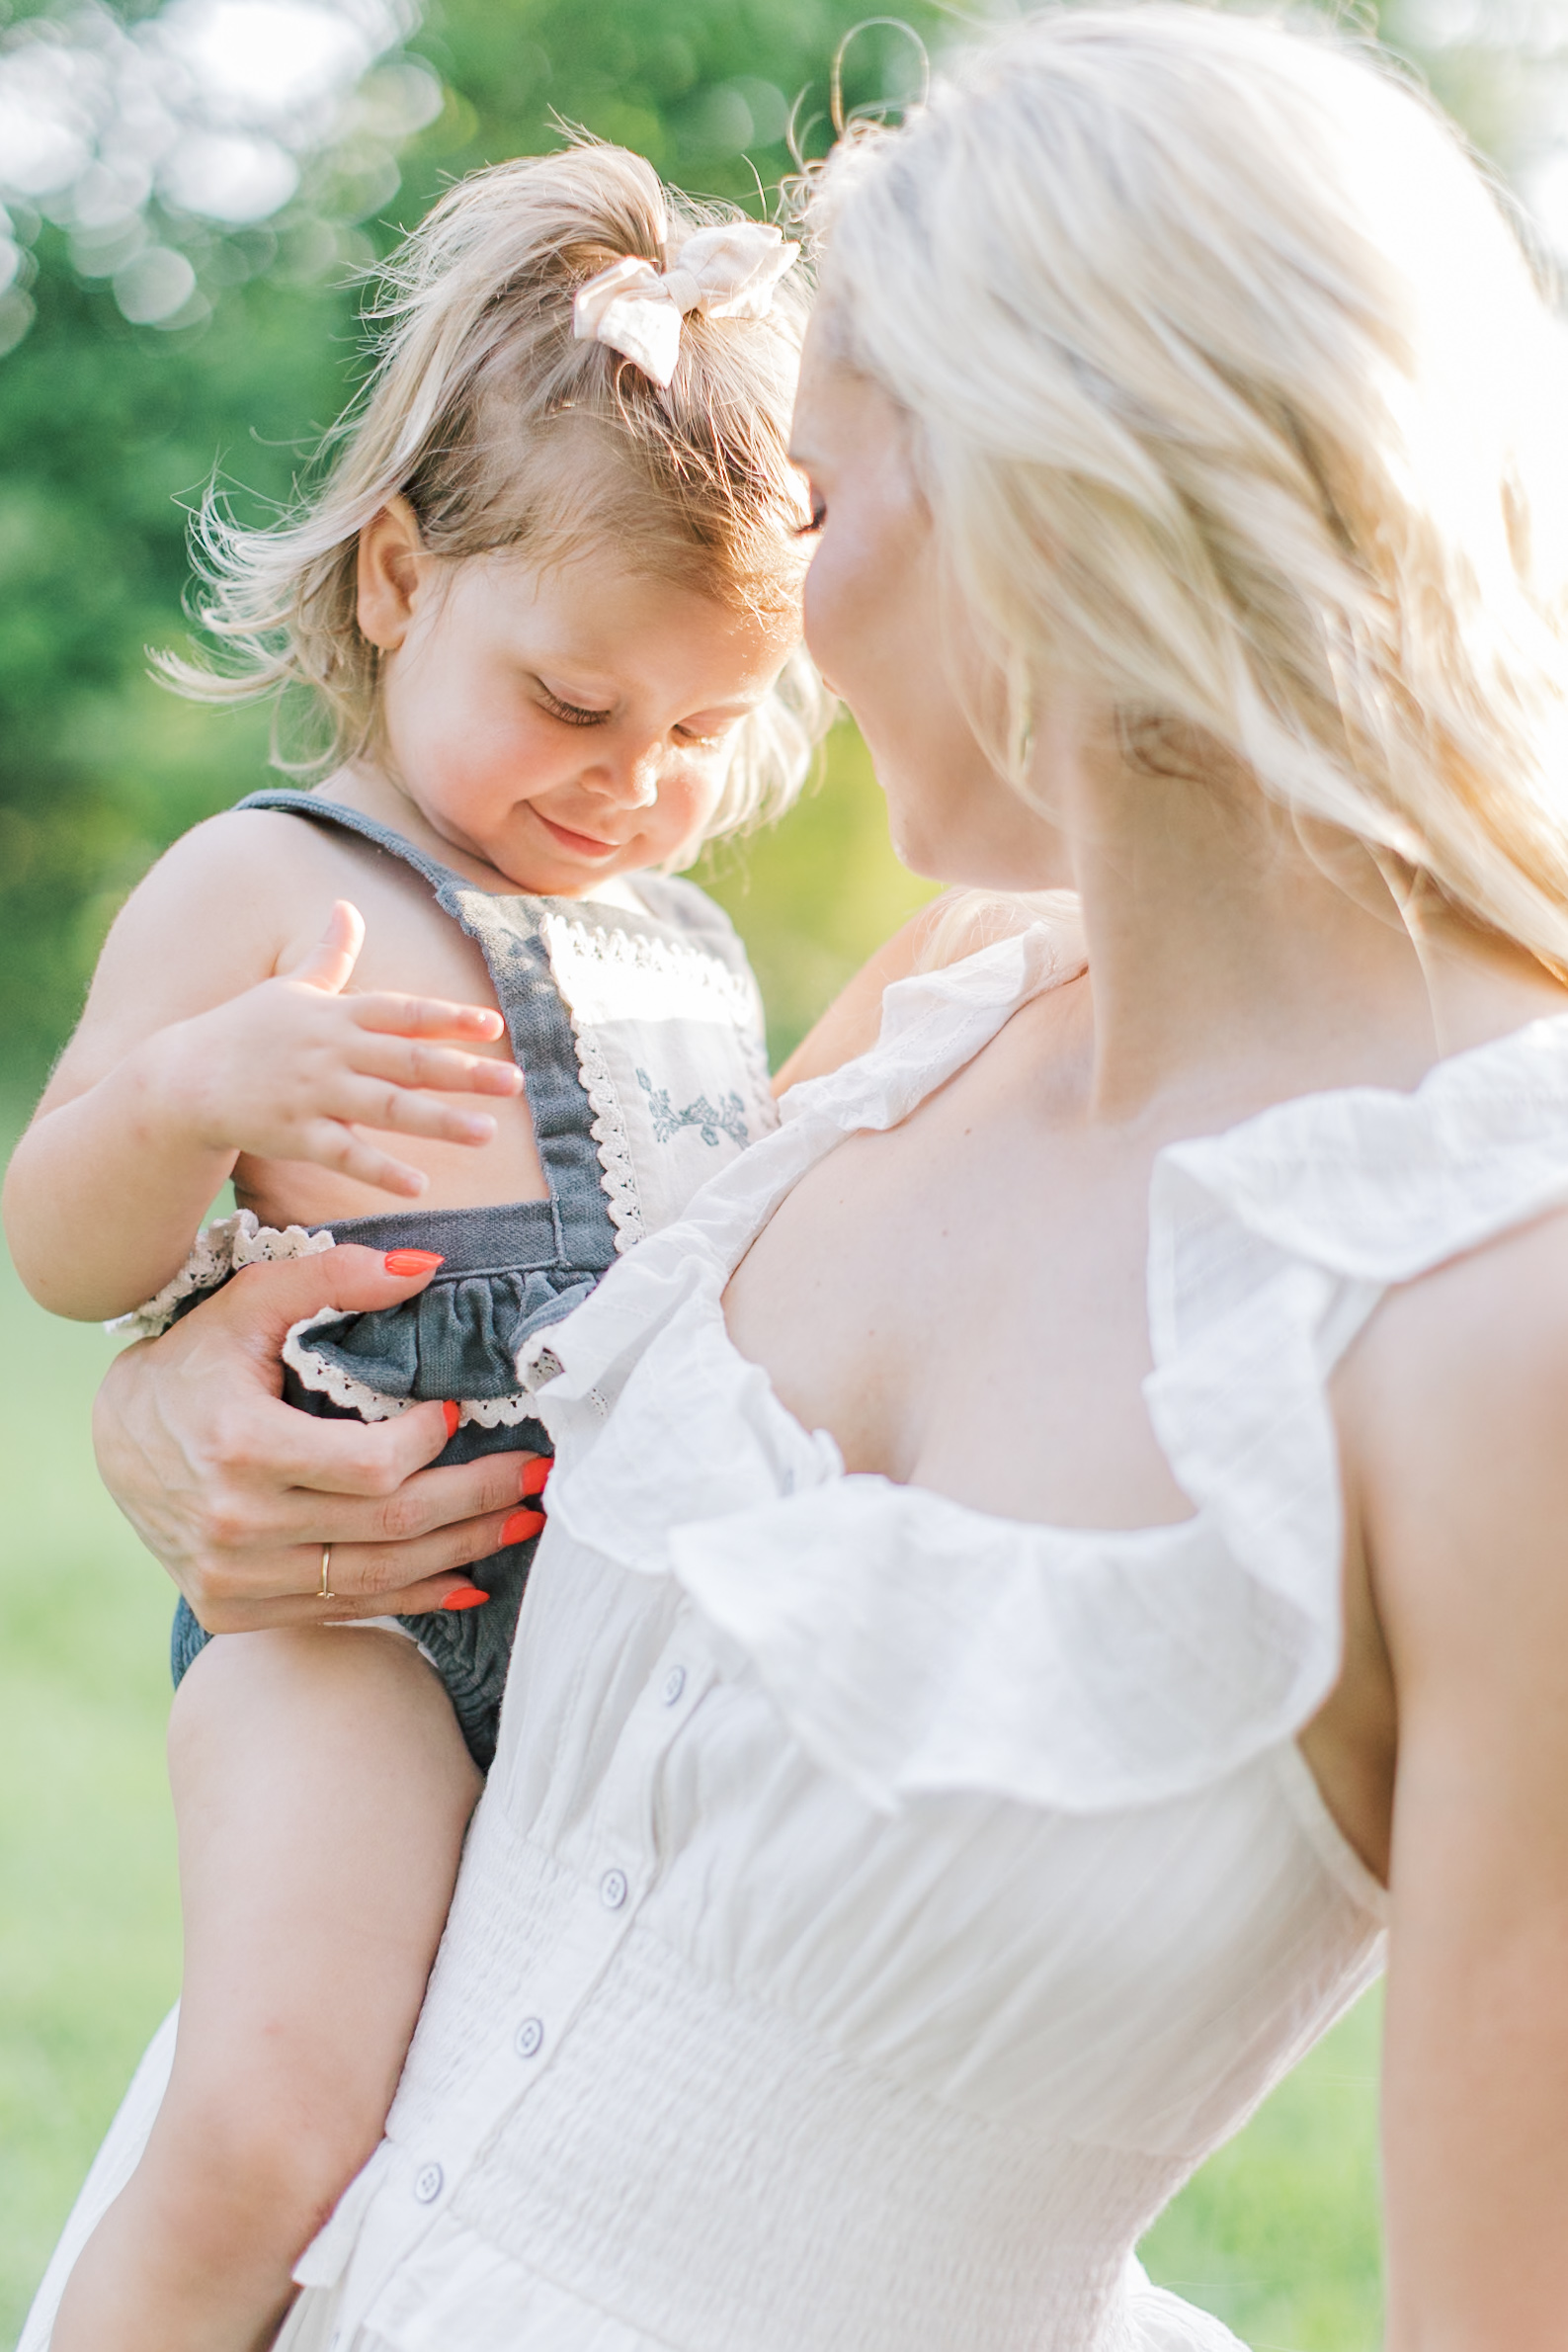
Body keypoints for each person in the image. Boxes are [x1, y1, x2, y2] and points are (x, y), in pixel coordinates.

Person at [26, 6, 1568, 2346]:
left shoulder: (1493, 1310)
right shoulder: (922, 1017)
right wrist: (183, 1427)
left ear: (1060, 500)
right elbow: (533, 1442)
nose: (791, 646)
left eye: (825, 511)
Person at [3, 140, 828, 2352]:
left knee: (553, 2157)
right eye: (574, 705)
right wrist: (189, 1100)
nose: (632, 778)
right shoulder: (272, 884)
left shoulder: (679, 943)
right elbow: (61, 1247)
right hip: (349, 1628)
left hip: (614, 1649)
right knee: (279, 2119)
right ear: (393, 577)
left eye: (702, 727)